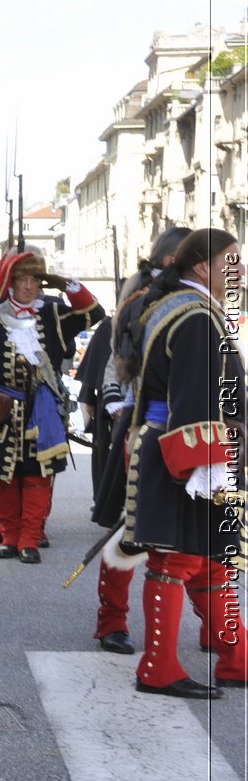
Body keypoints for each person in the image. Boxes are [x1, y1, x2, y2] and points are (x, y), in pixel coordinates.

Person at [121, 228, 246, 696]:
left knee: (210, 561)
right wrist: (208, 470)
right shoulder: (196, 318)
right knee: (176, 559)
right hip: (191, 456)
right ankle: (158, 667)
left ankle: (238, 659)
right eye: (232, 261)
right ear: (202, 267)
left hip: (189, 450)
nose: (241, 270)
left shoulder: (185, 308)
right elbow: (195, 400)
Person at [0, 252, 103, 564]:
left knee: (38, 476)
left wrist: (67, 286)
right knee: (5, 476)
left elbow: (94, 314)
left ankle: (30, 539)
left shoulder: (53, 313)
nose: (28, 286)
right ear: (10, 282)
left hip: (44, 408)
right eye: (22, 279)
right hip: (1, 410)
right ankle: (10, 536)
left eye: (34, 280)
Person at [86, 227, 189, 654]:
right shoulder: (143, 305)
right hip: (143, 426)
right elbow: (124, 364)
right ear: (171, 263)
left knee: (193, 536)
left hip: (184, 427)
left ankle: (217, 629)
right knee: (127, 531)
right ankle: (111, 621)